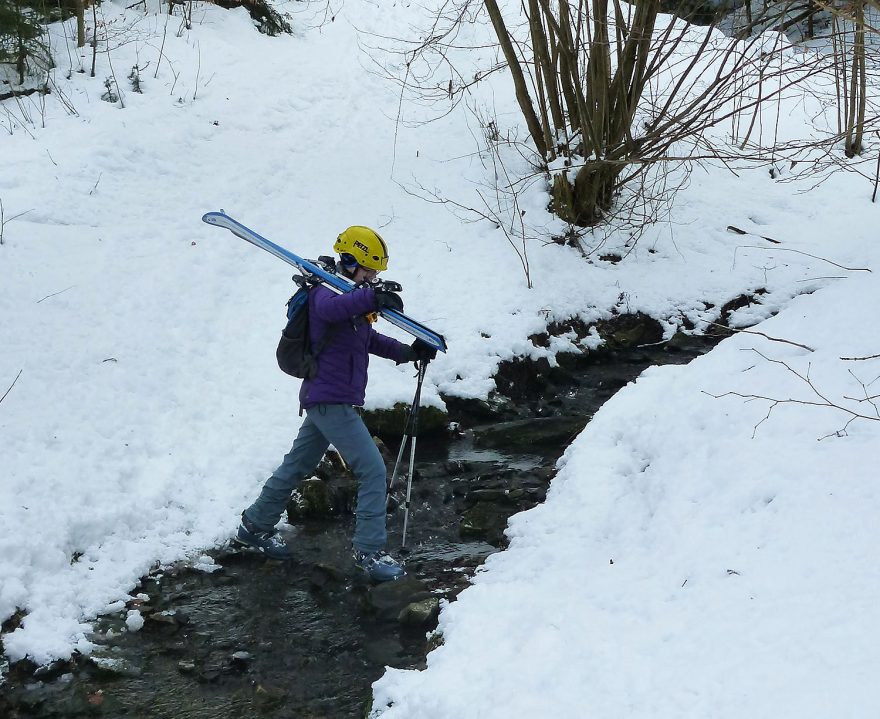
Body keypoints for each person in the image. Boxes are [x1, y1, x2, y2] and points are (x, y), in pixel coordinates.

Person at [235, 225, 436, 581]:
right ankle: (369, 554)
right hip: (330, 400)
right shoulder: (324, 292)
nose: (372, 278)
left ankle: (255, 524)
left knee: (296, 466)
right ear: (348, 260)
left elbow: (368, 339)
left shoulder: (351, 299)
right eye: (369, 270)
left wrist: (409, 351)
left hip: (326, 401)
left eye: (375, 273)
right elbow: (334, 310)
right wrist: (374, 297)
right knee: (373, 469)